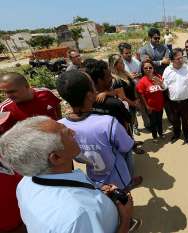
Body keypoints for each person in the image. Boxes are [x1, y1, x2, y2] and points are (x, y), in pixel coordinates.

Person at [0, 116, 134, 233]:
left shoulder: (25, 184)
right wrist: (125, 219)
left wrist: (97, 194)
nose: (74, 132)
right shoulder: (80, 215)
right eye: (66, 132)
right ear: (56, 157)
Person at [0, 72, 61, 233]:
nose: (9, 96)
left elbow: (57, 108)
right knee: (47, 192)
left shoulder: (46, 94)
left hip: (59, 151)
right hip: (35, 162)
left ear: (27, 86)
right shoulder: (6, 108)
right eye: (5, 92)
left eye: (12, 91)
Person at [56, 70, 135, 190]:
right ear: (89, 94)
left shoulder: (59, 126)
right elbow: (126, 146)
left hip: (94, 180)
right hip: (118, 179)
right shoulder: (107, 123)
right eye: (93, 85)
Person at [162, 48, 188, 145]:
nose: (181, 60)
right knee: (175, 120)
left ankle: (187, 136)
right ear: (172, 60)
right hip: (173, 102)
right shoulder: (167, 70)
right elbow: (165, 86)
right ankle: (177, 134)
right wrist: (161, 85)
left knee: (186, 120)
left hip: (186, 101)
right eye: (178, 59)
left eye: (181, 57)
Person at [83, 59, 131, 128]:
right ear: (100, 81)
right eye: (108, 76)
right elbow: (128, 119)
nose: (112, 78)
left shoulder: (86, 102)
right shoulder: (115, 104)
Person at [119, 42, 147, 135]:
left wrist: (139, 75)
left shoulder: (136, 61)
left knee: (143, 107)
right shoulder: (120, 64)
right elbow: (118, 77)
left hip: (139, 88)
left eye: (130, 52)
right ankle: (135, 127)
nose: (129, 55)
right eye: (126, 53)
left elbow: (142, 72)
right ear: (121, 54)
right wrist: (128, 76)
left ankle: (147, 124)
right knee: (132, 110)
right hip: (128, 91)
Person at [109, 54, 141, 138]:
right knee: (128, 128)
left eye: (122, 62)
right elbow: (122, 97)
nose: (123, 64)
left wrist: (136, 99)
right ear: (114, 65)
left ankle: (133, 142)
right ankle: (132, 146)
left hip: (133, 104)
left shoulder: (125, 73)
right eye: (120, 63)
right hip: (126, 107)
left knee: (131, 125)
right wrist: (134, 103)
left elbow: (133, 87)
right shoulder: (115, 79)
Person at [136, 59, 164, 142]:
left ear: (153, 68)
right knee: (153, 122)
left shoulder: (158, 77)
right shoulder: (142, 82)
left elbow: (163, 87)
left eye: (150, 67)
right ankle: (155, 137)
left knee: (160, 120)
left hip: (160, 105)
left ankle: (161, 134)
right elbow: (141, 95)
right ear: (143, 69)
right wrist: (147, 106)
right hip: (151, 107)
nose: (148, 69)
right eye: (146, 68)